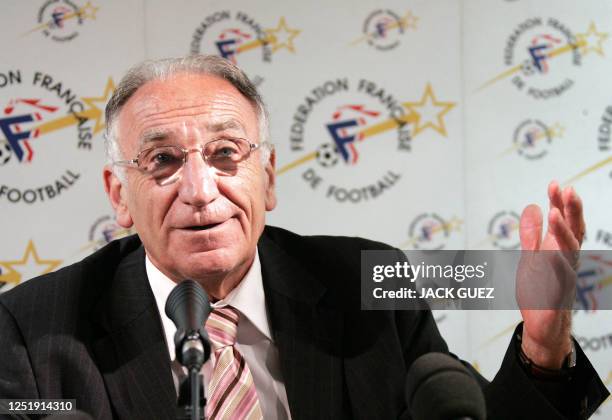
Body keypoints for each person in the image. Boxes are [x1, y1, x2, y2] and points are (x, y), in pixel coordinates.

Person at [0, 55, 608, 420]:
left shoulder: (368, 280)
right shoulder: (33, 330)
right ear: (117, 196)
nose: (200, 189)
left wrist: (542, 344)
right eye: (161, 160)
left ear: (267, 177)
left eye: (225, 154)